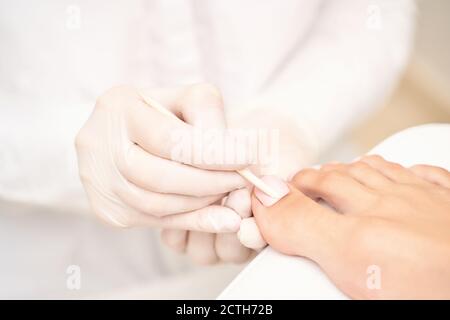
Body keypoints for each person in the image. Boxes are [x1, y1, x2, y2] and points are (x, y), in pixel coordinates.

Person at [0, 0, 415, 297]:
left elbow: (375, 10)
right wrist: (70, 152)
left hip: (307, 233)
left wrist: (294, 118)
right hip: (64, 271)